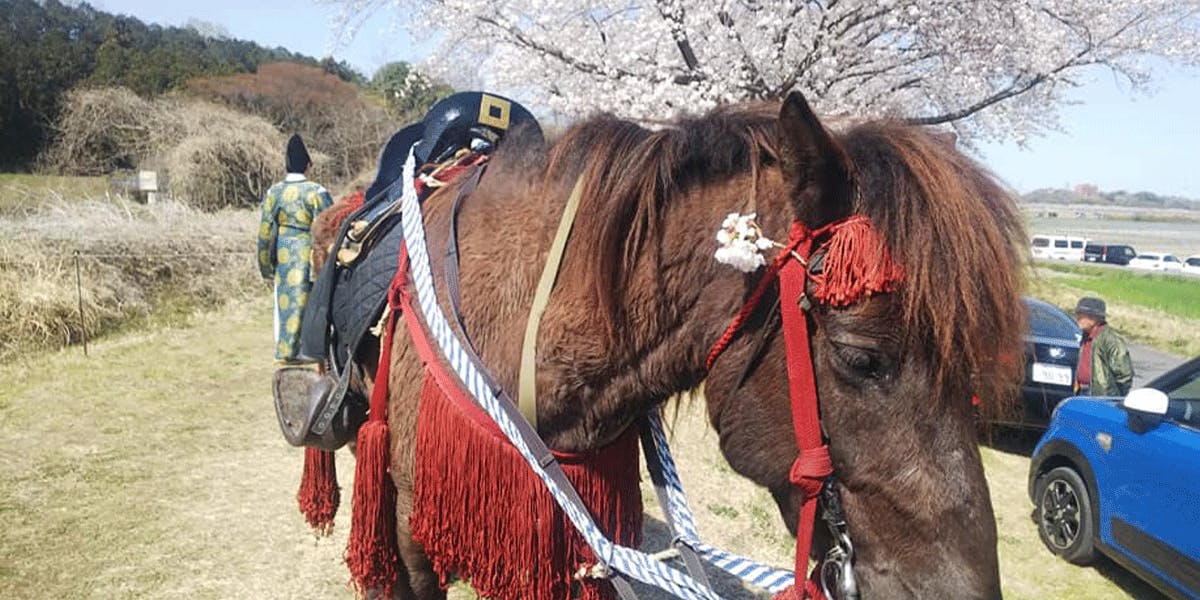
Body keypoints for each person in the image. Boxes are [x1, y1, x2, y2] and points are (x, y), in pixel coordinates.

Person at [258, 134, 333, 364]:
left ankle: (286, 349)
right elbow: (328, 227)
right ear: (307, 164)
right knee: (309, 300)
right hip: (309, 252)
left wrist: (266, 266)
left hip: (283, 252)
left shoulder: (274, 193)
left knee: (285, 301)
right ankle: (310, 350)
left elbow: (265, 232)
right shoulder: (316, 192)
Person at [1074, 296, 1134, 397]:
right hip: (1082, 392)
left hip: (1100, 396)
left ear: (1094, 318)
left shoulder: (1110, 339)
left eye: (1081, 315)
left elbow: (1125, 374)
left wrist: (1114, 396)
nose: (1077, 318)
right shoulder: (1085, 335)